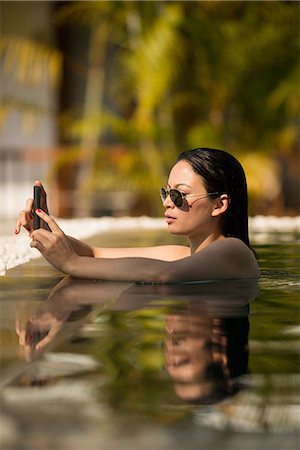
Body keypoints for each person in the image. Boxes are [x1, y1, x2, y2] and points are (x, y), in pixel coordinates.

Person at [15, 147, 260, 282]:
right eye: (166, 192)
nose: (166, 202)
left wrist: (71, 263)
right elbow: (95, 254)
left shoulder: (234, 250)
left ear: (219, 204)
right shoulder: (183, 255)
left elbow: (164, 274)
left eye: (179, 195)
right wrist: (47, 231)